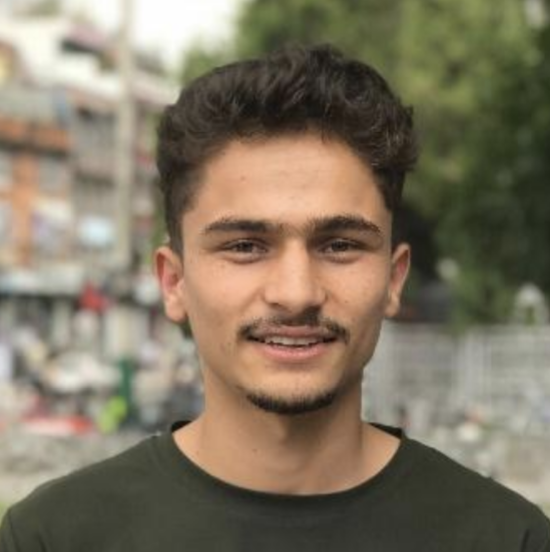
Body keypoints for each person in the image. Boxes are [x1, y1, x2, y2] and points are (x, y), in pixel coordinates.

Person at [1, 44, 549, 552]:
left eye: (339, 245)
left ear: (393, 279)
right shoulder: (52, 538)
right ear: (174, 282)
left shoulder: (508, 539)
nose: (296, 293)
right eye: (245, 246)